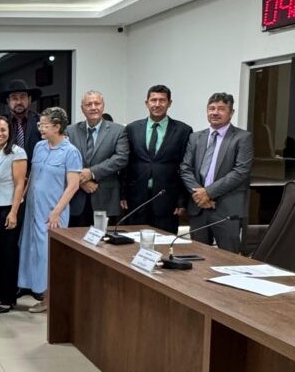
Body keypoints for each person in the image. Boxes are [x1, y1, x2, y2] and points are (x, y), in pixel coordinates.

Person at [18, 107, 82, 313]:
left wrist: (56, 211)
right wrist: (21, 197)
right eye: (40, 124)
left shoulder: (71, 152)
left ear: (57, 126)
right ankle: (44, 297)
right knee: (34, 252)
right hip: (32, 209)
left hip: (53, 211)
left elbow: (73, 185)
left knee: (48, 255)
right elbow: (33, 176)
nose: (41, 128)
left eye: (44, 125)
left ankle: (54, 300)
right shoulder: (39, 146)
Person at [180, 93, 253, 253]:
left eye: (221, 109)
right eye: (211, 108)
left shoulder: (242, 137)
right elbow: (185, 168)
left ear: (231, 113)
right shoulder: (195, 137)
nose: (215, 112)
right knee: (197, 258)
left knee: (229, 260)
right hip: (199, 207)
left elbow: (240, 172)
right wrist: (200, 195)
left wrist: (209, 192)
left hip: (226, 209)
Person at [122, 85, 193, 234]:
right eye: (153, 100)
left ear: (169, 103)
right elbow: (126, 164)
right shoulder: (132, 129)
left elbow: (185, 167)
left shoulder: (183, 131)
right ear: (146, 103)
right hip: (136, 199)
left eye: (162, 100)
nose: (157, 104)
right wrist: (122, 194)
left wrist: (182, 200)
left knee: (163, 245)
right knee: (132, 245)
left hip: (167, 200)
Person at [0, 116, 27, 314]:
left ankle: (9, 298)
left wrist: (14, 212)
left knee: (8, 253)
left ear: (9, 132)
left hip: (9, 206)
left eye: (3, 130)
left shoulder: (17, 152)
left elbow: (20, 184)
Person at [66, 91, 129, 227]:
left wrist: (92, 172)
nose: (93, 107)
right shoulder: (70, 131)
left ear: (103, 106)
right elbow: (64, 161)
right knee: (75, 242)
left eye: (97, 103)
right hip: (76, 197)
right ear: (82, 109)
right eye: (88, 104)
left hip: (105, 198)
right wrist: (81, 182)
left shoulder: (118, 131)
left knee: (104, 245)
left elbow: (121, 158)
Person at [0, 79, 43, 166]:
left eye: (22, 97)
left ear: (29, 99)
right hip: (8, 172)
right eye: (14, 98)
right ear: (8, 101)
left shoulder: (41, 121)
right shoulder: (1, 122)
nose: (18, 102)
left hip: (35, 172)